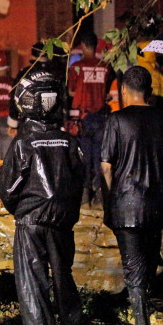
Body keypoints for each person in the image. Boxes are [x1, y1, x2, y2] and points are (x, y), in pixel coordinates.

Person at [0, 67, 87, 325]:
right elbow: (79, 181)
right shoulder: (69, 142)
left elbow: (7, 188)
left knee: (32, 284)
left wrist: (24, 211)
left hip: (31, 222)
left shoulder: (23, 143)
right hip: (61, 221)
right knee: (64, 280)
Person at [100, 65, 163, 325]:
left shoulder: (116, 120)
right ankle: (150, 317)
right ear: (150, 91)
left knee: (134, 270)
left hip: (127, 205)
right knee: (147, 264)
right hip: (157, 205)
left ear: (123, 91)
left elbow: (106, 167)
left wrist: (108, 204)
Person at [68, 32, 113, 205]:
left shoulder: (77, 67)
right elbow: (105, 91)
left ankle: (85, 195)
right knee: (99, 156)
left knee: (85, 157)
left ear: (84, 46)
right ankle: (100, 194)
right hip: (101, 116)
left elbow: (71, 92)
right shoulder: (105, 67)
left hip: (84, 117)